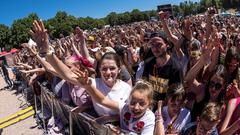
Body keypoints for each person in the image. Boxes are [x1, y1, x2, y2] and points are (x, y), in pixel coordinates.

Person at [73, 77, 155, 135]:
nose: (136, 107)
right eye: (133, 102)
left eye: (142, 103)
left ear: (149, 104)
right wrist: (88, 86)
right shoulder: (124, 107)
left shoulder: (149, 118)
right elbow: (103, 100)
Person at [142, 35, 183, 107]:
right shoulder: (148, 63)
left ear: (167, 45)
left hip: (166, 108)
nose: (155, 48)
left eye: (159, 44)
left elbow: (177, 93)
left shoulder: (175, 67)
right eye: (152, 45)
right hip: (149, 104)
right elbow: (144, 83)